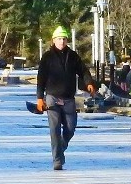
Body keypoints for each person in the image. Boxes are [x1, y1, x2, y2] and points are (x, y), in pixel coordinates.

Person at [36, 25, 96, 170]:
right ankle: (57, 159)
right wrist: (40, 98)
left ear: (67, 40)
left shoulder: (73, 56)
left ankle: (60, 148)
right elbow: (41, 78)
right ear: (53, 40)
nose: (61, 41)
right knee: (54, 129)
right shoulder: (47, 57)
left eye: (63, 39)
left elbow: (83, 70)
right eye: (59, 39)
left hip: (69, 98)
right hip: (52, 98)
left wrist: (89, 83)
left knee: (70, 128)